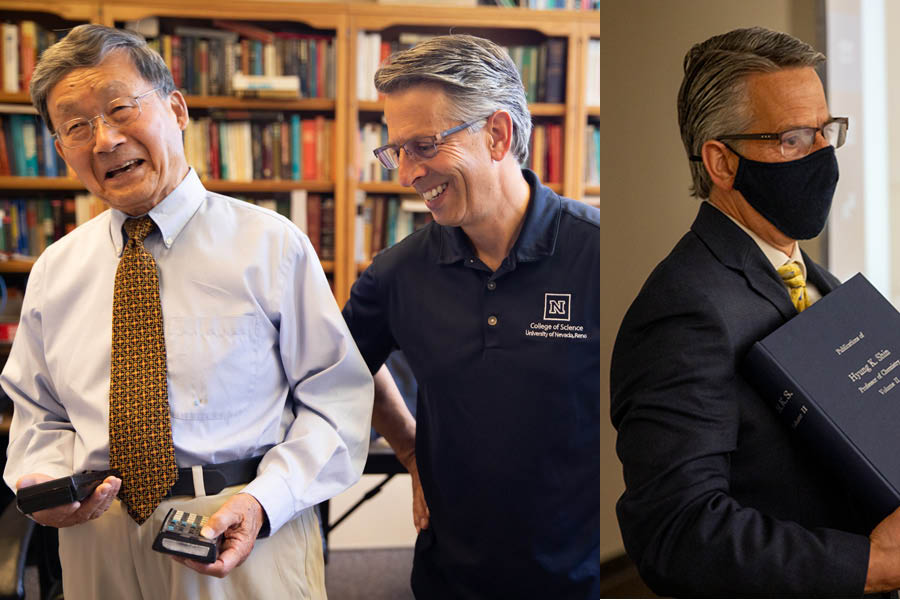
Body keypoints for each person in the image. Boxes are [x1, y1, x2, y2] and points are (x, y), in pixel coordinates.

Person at [2, 24, 373, 599]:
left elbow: (336, 402)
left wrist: (261, 502)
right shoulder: (55, 270)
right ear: (61, 148)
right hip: (96, 539)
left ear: (175, 108)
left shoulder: (272, 245)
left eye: (121, 109)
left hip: (240, 528)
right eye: (76, 127)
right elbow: (39, 413)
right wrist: (46, 482)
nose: (104, 140)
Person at [610, 26, 900, 596]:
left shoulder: (819, 281)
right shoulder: (681, 311)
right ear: (721, 162)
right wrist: (871, 564)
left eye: (826, 131)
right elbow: (676, 533)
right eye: (794, 138)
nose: (822, 156)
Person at [341, 34, 600, 598]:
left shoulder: (602, 254)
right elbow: (344, 367)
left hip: (587, 576)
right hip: (449, 578)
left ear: (498, 134)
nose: (407, 173)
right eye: (397, 151)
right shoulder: (395, 274)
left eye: (425, 145)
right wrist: (410, 449)